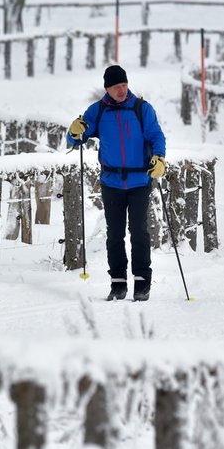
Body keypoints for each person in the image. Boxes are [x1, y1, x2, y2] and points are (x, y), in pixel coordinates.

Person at [66, 65, 167, 302]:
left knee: (139, 232)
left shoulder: (142, 109)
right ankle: (118, 283)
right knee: (114, 234)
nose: (121, 90)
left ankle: (142, 283)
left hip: (140, 180)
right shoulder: (98, 111)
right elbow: (77, 138)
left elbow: (156, 136)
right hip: (111, 181)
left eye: (124, 85)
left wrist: (159, 157)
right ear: (107, 89)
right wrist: (73, 131)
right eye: (115, 87)